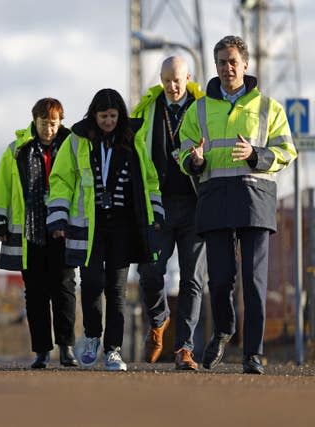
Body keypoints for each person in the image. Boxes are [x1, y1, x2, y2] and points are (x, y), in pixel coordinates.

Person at [179, 35, 297, 374]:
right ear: (214, 67)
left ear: (245, 65)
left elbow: (287, 151)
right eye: (221, 62)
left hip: (254, 200)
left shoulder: (268, 108)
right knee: (219, 279)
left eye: (233, 61)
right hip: (215, 198)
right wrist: (195, 160)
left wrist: (255, 155)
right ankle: (225, 329)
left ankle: (253, 354)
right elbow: (182, 153)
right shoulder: (198, 109)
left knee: (255, 281)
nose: (228, 67)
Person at [47, 89, 163, 371]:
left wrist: (155, 212)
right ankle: (91, 335)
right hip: (90, 225)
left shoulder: (133, 140)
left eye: (113, 116)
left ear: (120, 115)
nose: (108, 121)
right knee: (91, 283)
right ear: (94, 115)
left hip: (124, 226)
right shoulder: (77, 140)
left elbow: (149, 179)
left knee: (117, 289)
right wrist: (59, 218)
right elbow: (61, 178)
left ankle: (113, 349)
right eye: (103, 116)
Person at [0, 98, 77, 369]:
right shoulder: (18, 150)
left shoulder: (73, 147)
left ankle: (66, 347)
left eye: (53, 124)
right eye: (43, 124)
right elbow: (2, 184)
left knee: (64, 289)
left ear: (60, 122)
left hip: (63, 230)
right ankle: (41, 350)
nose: (48, 129)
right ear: (34, 122)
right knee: (35, 293)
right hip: (31, 231)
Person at [131, 56, 207, 370]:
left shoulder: (204, 109)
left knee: (193, 279)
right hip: (157, 203)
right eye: (166, 81)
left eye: (177, 80)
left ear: (188, 77)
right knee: (149, 272)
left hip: (195, 203)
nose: (172, 87)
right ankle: (159, 321)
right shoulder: (148, 110)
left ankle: (184, 350)